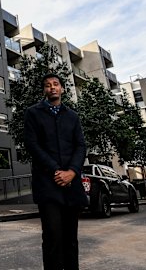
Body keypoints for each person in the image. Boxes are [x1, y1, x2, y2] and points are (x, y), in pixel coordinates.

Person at [23, 73, 88, 270]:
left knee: (71, 239)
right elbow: (32, 145)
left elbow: (81, 146)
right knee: (53, 237)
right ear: (44, 90)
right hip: (48, 185)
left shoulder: (72, 116)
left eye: (56, 84)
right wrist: (57, 171)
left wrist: (72, 172)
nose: (52, 87)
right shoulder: (33, 113)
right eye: (48, 85)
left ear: (62, 89)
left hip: (71, 185)